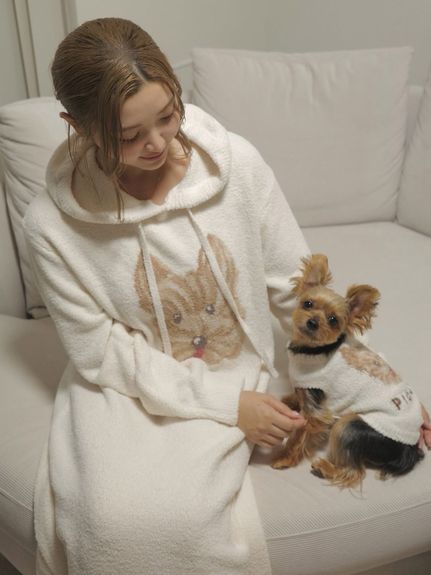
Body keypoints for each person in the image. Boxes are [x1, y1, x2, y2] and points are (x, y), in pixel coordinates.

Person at [24, 17, 309, 575]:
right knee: (107, 525)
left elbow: (299, 287)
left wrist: (373, 385)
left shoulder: (238, 165)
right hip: (130, 386)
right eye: (128, 136)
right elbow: (98, 351)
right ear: (76, 126)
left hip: (234, 365)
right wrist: (228, 405)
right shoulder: (49, 225)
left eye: (168, 115)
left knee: (185, 521)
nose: (157, 143)